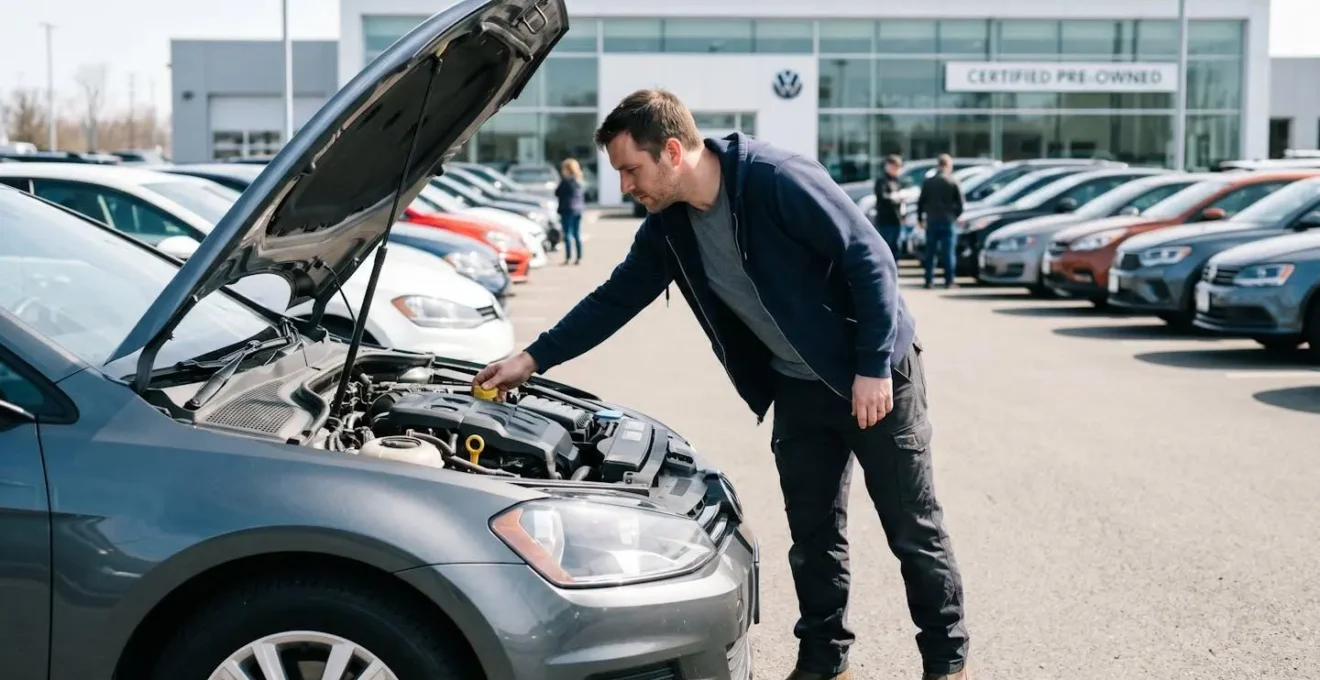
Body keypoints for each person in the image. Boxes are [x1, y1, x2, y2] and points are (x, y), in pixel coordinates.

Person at [473, 89, 970, 680]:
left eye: (631, 170)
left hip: (875, 377)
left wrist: (872, 366)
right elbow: (615, 298)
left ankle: (947, 664)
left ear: (672, 151)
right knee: (813, 536)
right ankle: (823, 661)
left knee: (912, 529)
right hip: (798, 388)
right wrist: (532, 358)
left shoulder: (775, 179)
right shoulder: (670, 226)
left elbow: (871, 259)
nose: (626, 186)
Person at [916, 154, 964, 289]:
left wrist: (920, 219)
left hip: (932, 220)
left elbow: (921, 202)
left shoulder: (928, 182)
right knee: (948, 253)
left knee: (930, 253)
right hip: (948, 221)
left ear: (938, 165)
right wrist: (955, 216)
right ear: (948, 166)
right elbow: (960, 203)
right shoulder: (953, 181)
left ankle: (929, 280)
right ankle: (949, 281)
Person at [873, 154, 907, 257]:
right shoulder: (882, 181)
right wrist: (895, 197)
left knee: (896, 247)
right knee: (885, 248)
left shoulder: (897, 180)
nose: (897, 170)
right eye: (895, 167)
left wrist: (903, 215)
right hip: (885, 219)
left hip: (896, 219)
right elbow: (882, 196)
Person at [556, 157, 587, 265]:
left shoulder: (565, 181)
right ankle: (579, 257)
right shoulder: (579, 181)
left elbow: (557, 192)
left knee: (567, 235)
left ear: (568, 169)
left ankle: (568, 257)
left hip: (567, 210)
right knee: (577, 234)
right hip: (578, 210)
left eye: (563, 169)